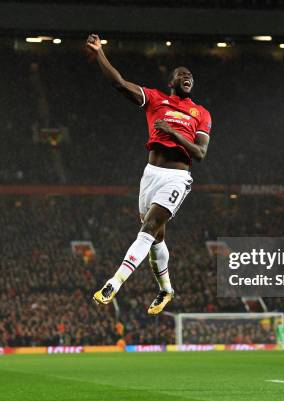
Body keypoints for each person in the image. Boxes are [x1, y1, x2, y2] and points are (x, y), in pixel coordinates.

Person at [86, 34, 212, 315]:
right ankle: (166, 289)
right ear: (172, 82)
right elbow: (119, 83)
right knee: (156, 237)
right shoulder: (156, 100)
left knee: (149, 226)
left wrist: (174, 133)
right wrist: (100, 53)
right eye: (181, 74)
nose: (187, 76)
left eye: (190, 75)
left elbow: (200, 153)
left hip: (177, 177)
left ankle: (114, 283)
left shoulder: (201, 113)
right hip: (150, 175)